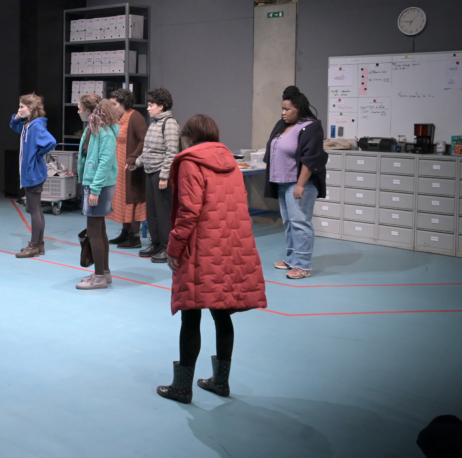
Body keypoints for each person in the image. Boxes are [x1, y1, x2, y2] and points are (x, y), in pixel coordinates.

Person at [157, 114, 267, 404]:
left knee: (191, 315)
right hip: (229, 246)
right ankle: (220, 382)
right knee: (222, 313)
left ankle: (182, 387)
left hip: (199, 247)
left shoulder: (190, 163)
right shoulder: (230, 162)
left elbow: (188, 211)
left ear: (190, 137)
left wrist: (174, 247)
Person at [262, 86, 328, 280]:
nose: (283, 113)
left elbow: (311, 158)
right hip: (282, 182)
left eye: (287, 109)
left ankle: (303, 265)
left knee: (300, 223)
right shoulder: (282, 125)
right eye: (282, 109)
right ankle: (292, 258)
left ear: (299, 109)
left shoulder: (311, 127)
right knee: (289, 222)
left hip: (299, 183)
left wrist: (300, 185)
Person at [75, 95, 119, 290]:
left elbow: (105, 162)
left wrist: (95, 189)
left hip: (98, 186)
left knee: (93, 231)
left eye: (79, 108)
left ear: (88, 110)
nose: (78, 112)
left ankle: (99, 277)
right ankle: (104, 272)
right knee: (99, 230)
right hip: (92, 184)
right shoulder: (91, 129)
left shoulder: (104, 132)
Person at [9, 93, 57, 258]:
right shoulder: (27, 126)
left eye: (22, 107)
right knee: (34, 209)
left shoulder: (36, 126)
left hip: (33, 173)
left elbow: (51, 142)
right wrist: (17, 117)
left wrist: (37, 155)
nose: (19, 109)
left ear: (31, 108)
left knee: (34, 210)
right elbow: (14, 125)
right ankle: (39, 244)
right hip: (30, 173)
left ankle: (34, 245)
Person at [135, 88, 180, 263]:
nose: (148, 108)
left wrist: (164, 176)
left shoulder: (169, 124)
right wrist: (136, 163)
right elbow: (148, 150)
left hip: (161, 175)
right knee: (152, 211)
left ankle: (167, 247)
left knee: (163, 212)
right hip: (150, 171)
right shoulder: (154, 123)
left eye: (151, 105)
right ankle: (156, 243)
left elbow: (172, 152)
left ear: (161, 106)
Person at [107, 88, 147, 249]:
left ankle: (135, 236)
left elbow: (144, 140)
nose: (112, 107)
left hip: (130, 168)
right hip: (118, 168)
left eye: (114, 104)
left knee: (132, 199)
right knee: (121, 200)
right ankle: (125, 232)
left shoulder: (135, 117)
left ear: (123, 103)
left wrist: (133, 158)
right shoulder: (117, 119)